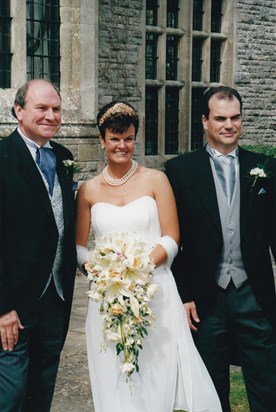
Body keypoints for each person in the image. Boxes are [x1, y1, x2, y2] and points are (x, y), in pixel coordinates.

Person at [75, 100, 222, 412]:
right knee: (113, 372)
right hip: (108, 298)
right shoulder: (88, 190)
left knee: (157, 371)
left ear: (135, 139)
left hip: (155, 291)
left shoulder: (156, 180)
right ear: (102, 141)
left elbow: (172, 236)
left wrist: (138, 268)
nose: (122, 146)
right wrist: (104, 273)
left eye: (128, 138)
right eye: (114, 139)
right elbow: (79, 248)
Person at [166, 86, 276, 412]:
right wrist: (183, 295)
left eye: (235, 118)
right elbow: (172, 239)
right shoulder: (180, 171)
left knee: (267, 387)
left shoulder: (266, 167)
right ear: (204, 121)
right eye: (220, 118)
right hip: (205, 299)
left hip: (254, 294)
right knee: (211, 393)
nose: (229, 125)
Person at [0, 79, 77, 412]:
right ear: (18, 111)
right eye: (41, 108)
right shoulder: (3, 157)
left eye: (56, 109)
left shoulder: (64, 157)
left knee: (41, 392)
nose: (51, 116)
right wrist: (2, 308)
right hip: (12, 304)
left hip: (55, 298)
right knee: (11, 394)